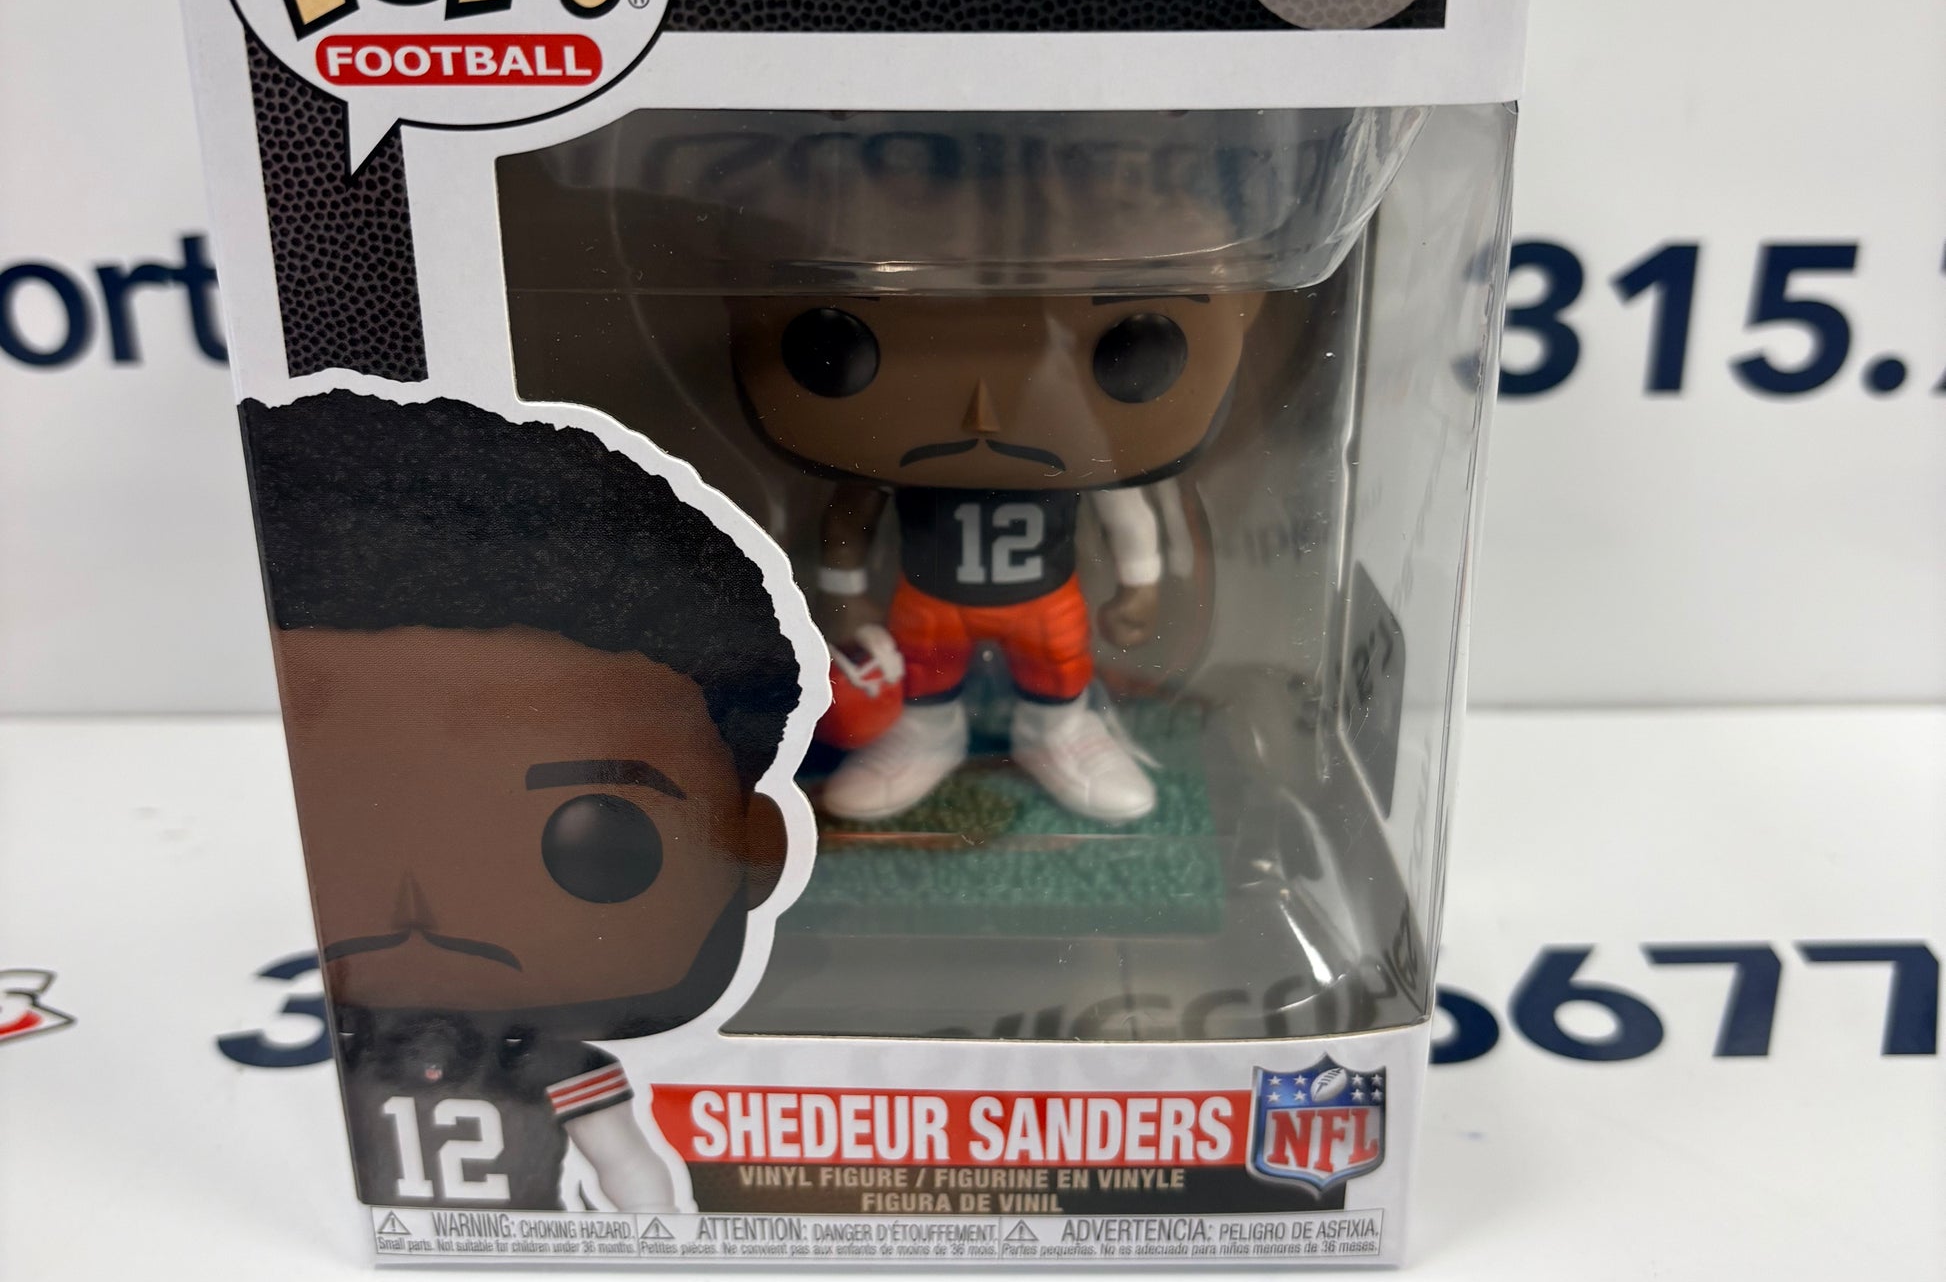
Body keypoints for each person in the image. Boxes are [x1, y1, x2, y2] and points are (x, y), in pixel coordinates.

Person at [242, 390, 801, 1213]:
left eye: (592, 841)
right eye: (354, 826)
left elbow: (628, 1164)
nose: (420, 902)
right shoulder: (362, 1041)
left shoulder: (551, 1059)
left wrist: (655, 1229)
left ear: (753, 845)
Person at [733, 288, 1261, 824]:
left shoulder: (1079, 439)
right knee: (925, 672)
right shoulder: (898, 442)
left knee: (1059, 668)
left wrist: (1140, 587)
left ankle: (1058, 732)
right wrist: (844, 595)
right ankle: (927, 734)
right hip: (932, 600)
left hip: (1044, 600)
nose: (983, 409)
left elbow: (1126, 511)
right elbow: (851, 515)